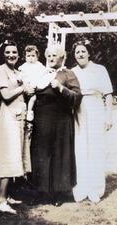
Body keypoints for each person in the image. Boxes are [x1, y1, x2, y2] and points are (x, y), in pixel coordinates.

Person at [30, 45, 82, 206]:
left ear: (62, 58)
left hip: (61, 120)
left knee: (59, 155)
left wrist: (61, 88)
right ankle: (42, 192)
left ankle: (59, 193)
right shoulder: (41, 74)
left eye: (54, 56)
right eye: (49, 56)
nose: (51, 58)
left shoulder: (68, 73)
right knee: (41, 155)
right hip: (41, 120)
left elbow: (77, 97)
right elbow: (32, 95)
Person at [0, 40, 33, 214]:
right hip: (8, 118)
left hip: (19, 116)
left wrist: (27, 90)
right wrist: (23, 88)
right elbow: (6, 95)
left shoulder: (17, 71)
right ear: (3, 54)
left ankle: (6, 195)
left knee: (16, 154)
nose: (11, 55)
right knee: (8, 154)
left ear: (18, 54)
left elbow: (24, 92)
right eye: (8, 52)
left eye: (14, 52)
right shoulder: (0, 70)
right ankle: (0, 200)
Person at [71, 39, 113, 203]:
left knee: (95, 148)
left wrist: (109, 116)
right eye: (77, 52)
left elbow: (108, 94)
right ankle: (81, 188)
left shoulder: (100, 69)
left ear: (89, 53)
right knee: (80, 148)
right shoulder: (71, 71)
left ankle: (95, 189)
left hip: (95, 107)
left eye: (83, 51)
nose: (80, 54)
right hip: (78, 110)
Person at [18, 45, 46, 122]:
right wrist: (20, 78)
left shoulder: (39, 65)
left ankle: (30, 111)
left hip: (35, 86)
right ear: (25, 57)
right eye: (28, 56)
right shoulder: (24, 66)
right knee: (23, 99)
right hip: (27, 85)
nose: (31, 58)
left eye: (33, 56)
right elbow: (20, 73)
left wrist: (48, 71)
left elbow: (45, 71)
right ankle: (24, 111)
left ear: (37, 56)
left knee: (34, 98)